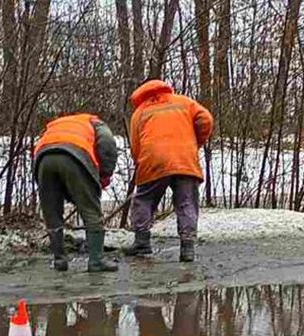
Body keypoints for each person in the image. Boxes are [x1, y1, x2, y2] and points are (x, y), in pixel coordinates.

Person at [126, 79, 214, 262]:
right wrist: (194, 143)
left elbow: (135, 144)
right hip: (184, 159)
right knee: (187, 202)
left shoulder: (139, 112)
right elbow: (206, 119)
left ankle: (142, 242)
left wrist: (140, 162)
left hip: (153, 159)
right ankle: (188, 247)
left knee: (144, 199)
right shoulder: (184, 102)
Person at [32, 112, 119, 272]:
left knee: (52, 212)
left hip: (43, 158)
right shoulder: (94, 122)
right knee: (90, 210)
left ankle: (59, 260)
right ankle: (96, 261)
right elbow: (107, 143)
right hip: (75, 155)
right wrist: (105, 173)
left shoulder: (56, 124)